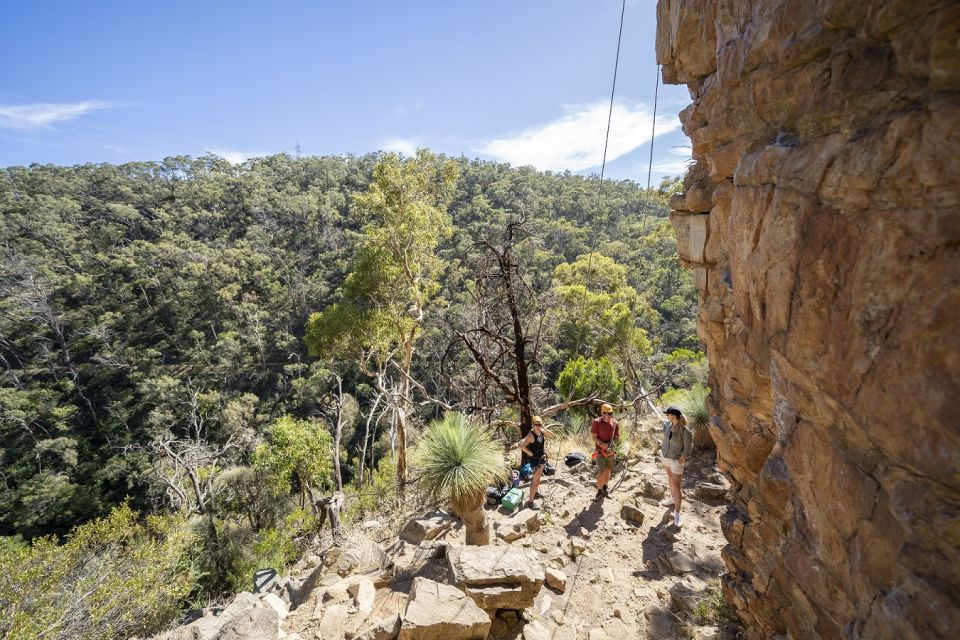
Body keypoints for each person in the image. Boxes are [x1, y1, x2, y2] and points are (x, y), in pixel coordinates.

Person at [660, 405, 693, 527]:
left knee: (676, 485)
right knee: (670, 477)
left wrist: (682, 458)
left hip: (675, 460)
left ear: (674, 416)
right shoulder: (666, 425)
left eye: (668, 414)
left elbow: (688, 449)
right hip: (665, 456)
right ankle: (672, 499)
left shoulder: (685, 431)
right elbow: (665, 439)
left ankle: (677, 513)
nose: (667, 416)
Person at [518, 416, 556, 510]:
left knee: (538, 479)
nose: (537, 426)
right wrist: (529, 452)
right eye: (536, 424)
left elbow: (553, 436)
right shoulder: (531, 435)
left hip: (542, 459)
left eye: (539, 424)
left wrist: (544, 428)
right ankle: (531, 501)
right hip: (535, 460)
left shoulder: (541, 432)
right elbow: (522, 446)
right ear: (533, 425)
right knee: (535, 481)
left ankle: (535, 493)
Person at [590, 403, 620, 500]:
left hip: (611, 452)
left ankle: (605, 489)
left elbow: (616, 438)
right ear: (602, 413)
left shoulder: (615, 423)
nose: (608, 416)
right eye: (606, 413)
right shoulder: (597, 422)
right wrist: (603, 445)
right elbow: (594, 437)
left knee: (608, 471)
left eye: (610, 413)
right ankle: (599, 491)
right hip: (600, 452)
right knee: (601, 472)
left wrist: (612, 445)